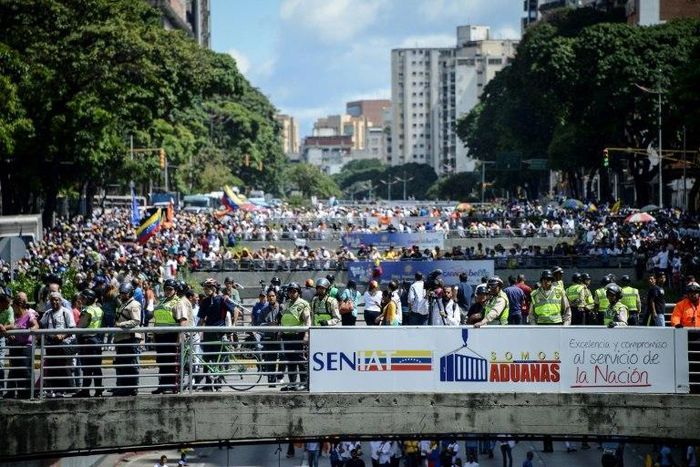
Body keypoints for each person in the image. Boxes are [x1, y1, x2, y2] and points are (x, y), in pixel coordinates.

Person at [197, 278, 234, 391]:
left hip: (219, 332)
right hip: (208, 333)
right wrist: (194, 331)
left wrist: (232, 327)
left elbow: (235, 310)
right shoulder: (205, 301)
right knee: (207, 359)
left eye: (208, 287)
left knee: (219, 359)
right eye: (205, 287)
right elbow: (202, 319)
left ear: (214, 288)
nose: (206, 289)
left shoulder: (222, 299)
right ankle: (208, 384)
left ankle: (218, 384)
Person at [0, 294, 38, 399]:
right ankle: (11, 392)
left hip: (26, 346)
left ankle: (28, 393)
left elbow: (35, 325)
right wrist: (9, 333)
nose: (12, 308)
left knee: (25, 370)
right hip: (15, 345)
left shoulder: (28, 315)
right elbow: (10, 327)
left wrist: (32, 329)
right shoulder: (14, 317)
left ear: (19, 306)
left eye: (14, 307)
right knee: (14, 370)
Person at [40, 291, 76, 397]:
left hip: (63, 345)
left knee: (62, 368)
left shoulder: (66, 312)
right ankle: (53, 390)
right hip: (51, 344)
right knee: (52, 368)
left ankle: (62, 390)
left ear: (61, 300)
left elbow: (72, 329)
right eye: (52, 300)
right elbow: (41, 325)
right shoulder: (47, 313)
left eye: (57, 299)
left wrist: (62, 336)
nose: (54, 302)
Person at [152, 279, 184, 394]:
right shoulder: (162, 302)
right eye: (166, 289)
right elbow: (157, 319)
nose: (168, 291)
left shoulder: (177, 302)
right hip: (160, 337)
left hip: (171, 336)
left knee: (171, 363)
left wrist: (179, 339)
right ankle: (162, 385)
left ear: (175, 290)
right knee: (162, 362)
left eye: (170, 289)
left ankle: (172, 386)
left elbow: (182, 322)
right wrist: (154, 336)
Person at [279, 282, 311, 391]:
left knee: (301, 360)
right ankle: (292, 383)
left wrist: (306, 335)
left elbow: (307, 320)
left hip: (298, 335)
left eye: (294, 291)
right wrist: (280, 331)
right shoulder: (286, 303)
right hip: (287, 335)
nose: (291, 293)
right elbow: (285, 318)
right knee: (290, 360)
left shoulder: (303, 304)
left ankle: (304, 383)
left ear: (298, 292)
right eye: (290, 291)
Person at [73, 289, 104, 397]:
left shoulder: (87, 311)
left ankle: (85, 391)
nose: (81, 300)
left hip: (87, 341)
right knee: (96, 367)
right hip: (96, 339)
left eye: (83, 298)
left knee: (87, 368)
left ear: (88, 299)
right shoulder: (99, 309)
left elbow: (81, 326)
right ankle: (98, 390)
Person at [113, 282, 141, 396]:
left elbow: (136, 321)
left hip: (130, 338)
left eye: (125, 293)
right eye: (121, 293)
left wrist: (121, 324)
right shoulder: (122, 304)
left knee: (131, 364)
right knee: (121, 364)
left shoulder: (134, 304)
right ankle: (122, 387)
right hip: (121, 338)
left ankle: (132, 388)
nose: (122, 295)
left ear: (130, 293)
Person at [259, 289, 282, 386]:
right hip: (268, 338)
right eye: (269, 296)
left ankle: (280, 377)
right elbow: (259, 324)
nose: (271, 297)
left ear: (276, 296)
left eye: (272, 296)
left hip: (280, 338)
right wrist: (269, 324)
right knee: (270, 360)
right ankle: (271, 382)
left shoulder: (281, 308)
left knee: (283, 357)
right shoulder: (264, 310)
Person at [0, 290, 13, 395]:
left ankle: (0, 389)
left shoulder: (9, 309)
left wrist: (3, 327)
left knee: (0, 363)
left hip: (1, 337)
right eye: (7, 303)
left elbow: (12, 324)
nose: (9, 305)